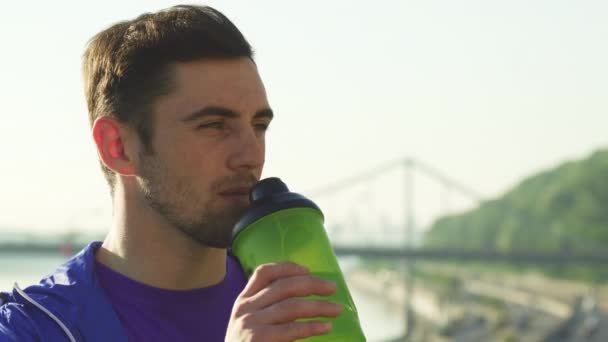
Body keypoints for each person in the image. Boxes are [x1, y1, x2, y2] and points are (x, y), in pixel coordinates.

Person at [0, 5, 342, 342]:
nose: (251, 155)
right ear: (117, 146)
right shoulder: (31, 330)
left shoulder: (297, 302)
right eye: (213, 126)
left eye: (259, 125)